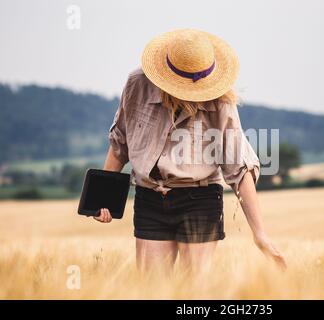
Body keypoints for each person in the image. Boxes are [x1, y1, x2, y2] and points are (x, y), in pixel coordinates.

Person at [95, 29, 286, 272]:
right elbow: (120, 143)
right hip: (150, 198)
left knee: (195, 290)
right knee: (151, 290)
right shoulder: (137, 84)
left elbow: (239, 167)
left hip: (200, 199)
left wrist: (260, 234)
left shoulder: (220, 99)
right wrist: (102, 197)